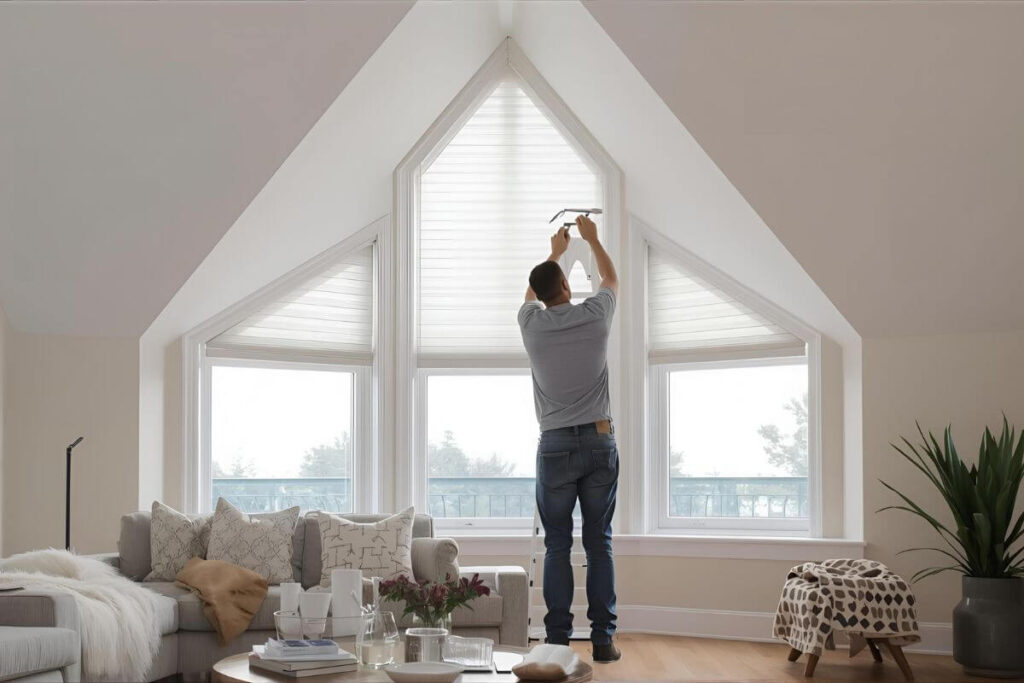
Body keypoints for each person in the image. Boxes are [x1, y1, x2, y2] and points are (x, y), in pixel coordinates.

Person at [517, 214, 621, 663]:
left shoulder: (531, 325)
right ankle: (602, 642)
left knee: (557, 544)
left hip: (555, 445)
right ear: (567, 285)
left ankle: (557, 642)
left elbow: (530, 294)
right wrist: (592, 241)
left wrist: (554, 253)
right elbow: (611, 278)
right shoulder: (596, 315)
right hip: (599, 442)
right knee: (599, 542)